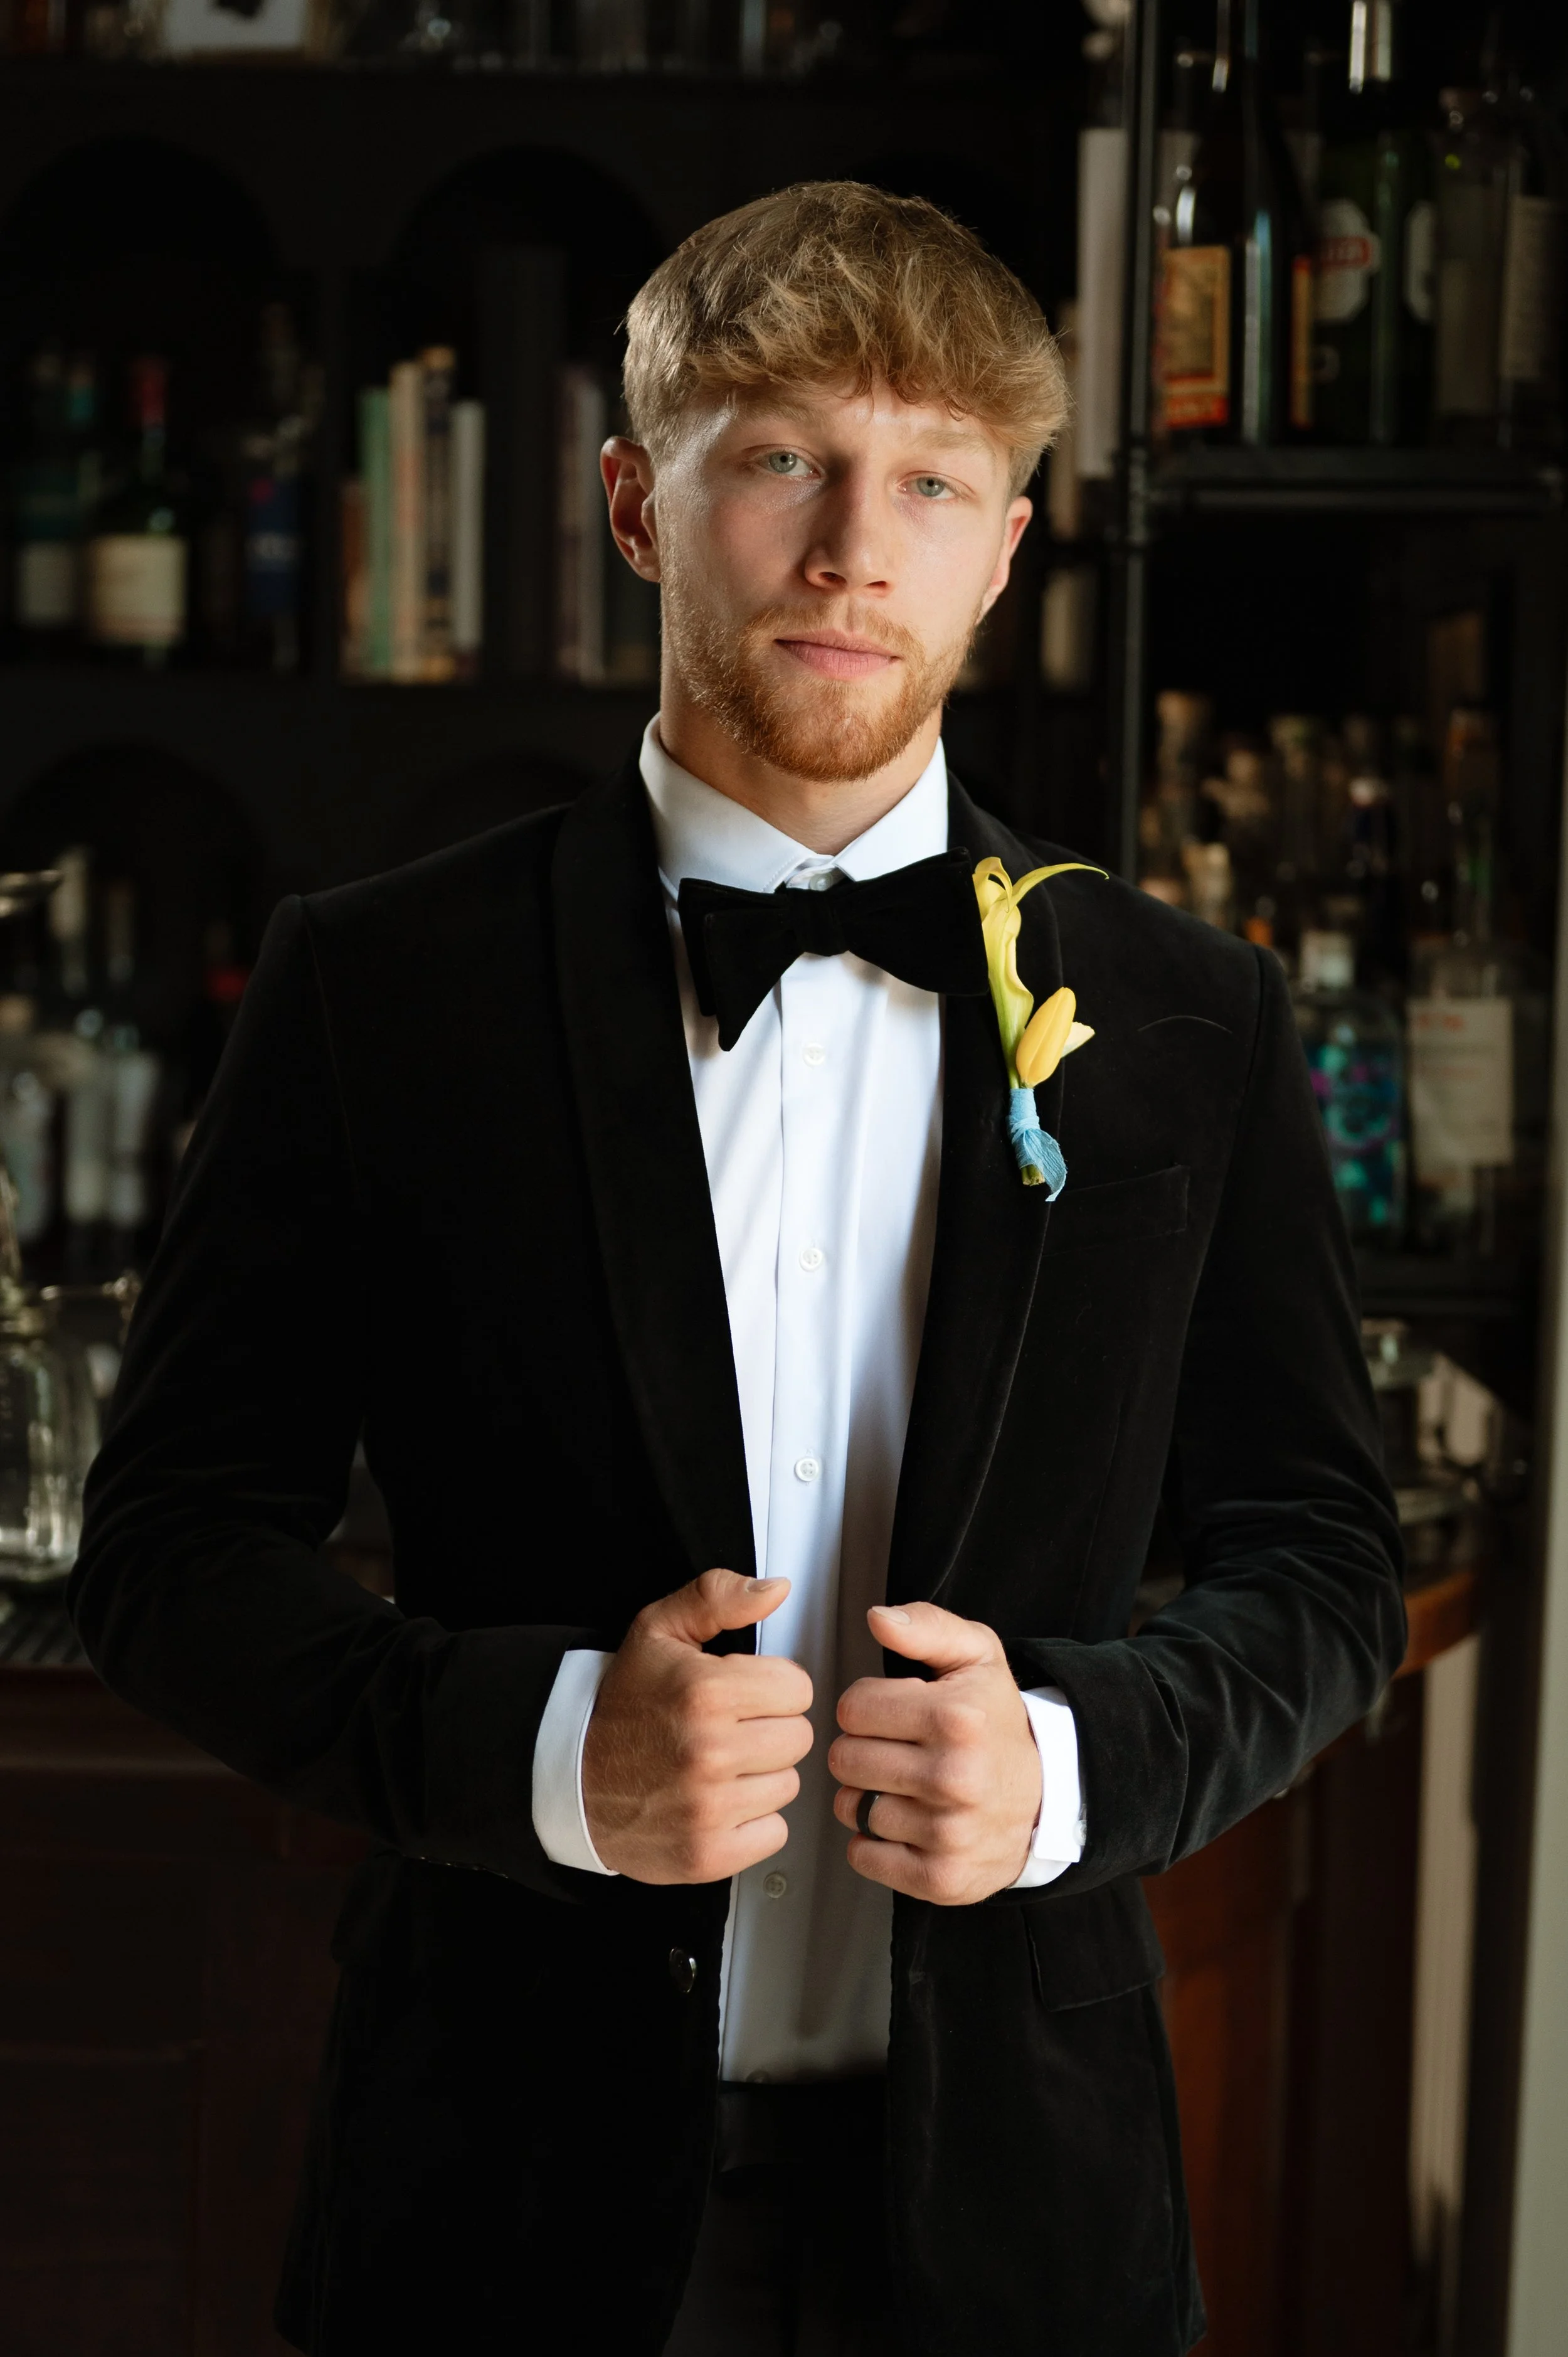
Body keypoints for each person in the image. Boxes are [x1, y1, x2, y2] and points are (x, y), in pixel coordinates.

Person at [68, 182, 1404, 2357]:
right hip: (493, 2193)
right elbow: (167, 1549)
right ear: (634, 500)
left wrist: (1076, 1763)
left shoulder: (1188, 1015)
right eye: (778, 455)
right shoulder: (375, 988)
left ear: (1006, 540)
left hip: (1017, 2213)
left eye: (930, 480)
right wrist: (538, 1740)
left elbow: (1321, 1560)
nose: (850, 543)